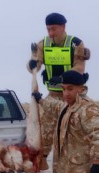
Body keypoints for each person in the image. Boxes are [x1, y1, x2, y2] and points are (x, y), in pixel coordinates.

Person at [28, 12, 91, 157]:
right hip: (54, 95)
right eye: (48, 29)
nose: (50, 33)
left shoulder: (76, 43)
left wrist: (63, 78)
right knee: (46, 132)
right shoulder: (43, 44)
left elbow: (79, 68)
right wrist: (32, 64)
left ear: (63, 27)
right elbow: (35, 65)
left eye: (53, 29)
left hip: (74, 96)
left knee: (76, 130)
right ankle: (41, 163)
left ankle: (84, 161)